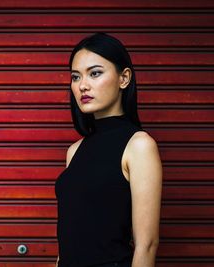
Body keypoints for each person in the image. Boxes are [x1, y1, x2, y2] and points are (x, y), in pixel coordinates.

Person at [54, 32, 162, 267]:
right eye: (75, 77)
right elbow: (67, 245)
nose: (82, 85)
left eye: (95, 73)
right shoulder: (74, 151)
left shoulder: (139, 146)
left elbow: (147, 245)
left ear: (124, 78)